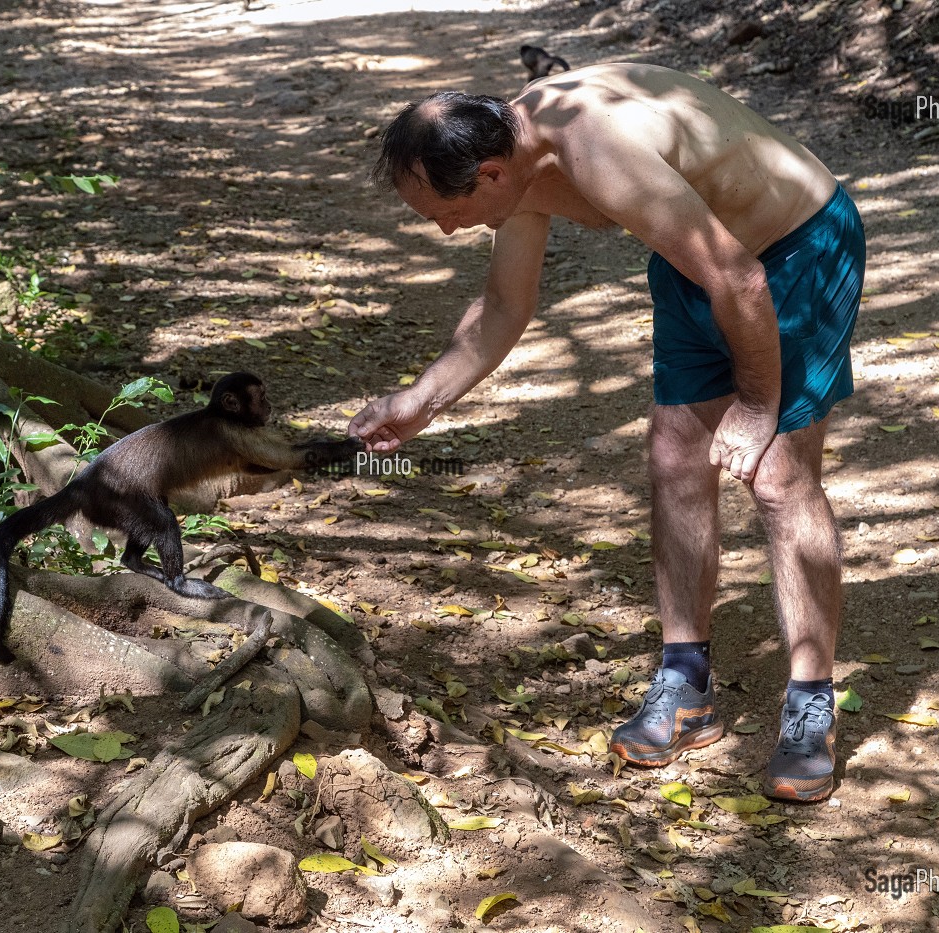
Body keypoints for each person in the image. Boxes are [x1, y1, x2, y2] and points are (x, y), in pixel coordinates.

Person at [349, 63, 865, 803]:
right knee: (674, 456)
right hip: (705, 264)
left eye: (443, 212)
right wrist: (420, 401)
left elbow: (742, 279)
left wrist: (757, 405)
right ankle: (685, 683)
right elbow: (505, 306)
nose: (443, 228)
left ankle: (811, 704)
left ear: (488, 175)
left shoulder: (595, 146)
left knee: (779, 476)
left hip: (797, 250)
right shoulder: (516, 158)